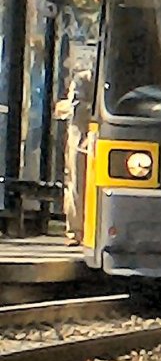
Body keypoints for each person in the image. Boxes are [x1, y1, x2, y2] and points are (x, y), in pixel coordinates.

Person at [54, 62, 94, 245]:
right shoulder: (82, 80)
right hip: (81, 136)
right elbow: (76, 109)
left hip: (97, 135)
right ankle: (75, 231)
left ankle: (86, 229)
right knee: (78, 182)